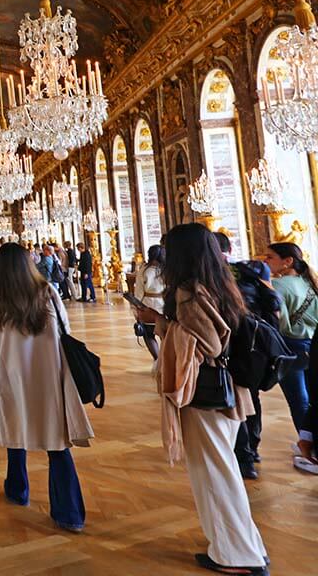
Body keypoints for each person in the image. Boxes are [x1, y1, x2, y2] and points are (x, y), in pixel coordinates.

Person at [136, 223, 267, 575]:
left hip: (206, 393)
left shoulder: (189, 291)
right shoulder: (222, 283)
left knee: (214, 474)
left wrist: (158, 322)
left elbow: (206, 343)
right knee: (222, 470)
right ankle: (244, 545)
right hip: (229, 391)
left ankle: (237, 556)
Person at [0, 242, 92, 532]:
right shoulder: (47, 291)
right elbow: (66, 330)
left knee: (14, 428)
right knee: (56, 440)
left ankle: (18, 489)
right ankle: (69, 513)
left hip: (12, 371)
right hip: (49, 372)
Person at [214, 233, 281, 478]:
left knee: (236, 398)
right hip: (256, 344)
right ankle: (252, 447)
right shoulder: (250, 270)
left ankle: (243, 455)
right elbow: (273, 303)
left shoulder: (213, 275)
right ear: (230, 248)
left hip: (232, 345)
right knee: (251, 396)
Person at [263, 242, 318, 438]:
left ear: (287, 261)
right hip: (312, 344)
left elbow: (282, 324)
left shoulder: (277, 285)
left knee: (298, 399)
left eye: (270, 257)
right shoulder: (311, 282)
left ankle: (308, 445)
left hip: (291, 346)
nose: (265, 260)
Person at [133, 245, 166, 361]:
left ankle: (157, 359)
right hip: (164, 307)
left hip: (147, 306)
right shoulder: (166, 270)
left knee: (148, 334)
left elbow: (138, 293)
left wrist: (136, 311)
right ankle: (166, 360)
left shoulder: (143, 270)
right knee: (165, 335)